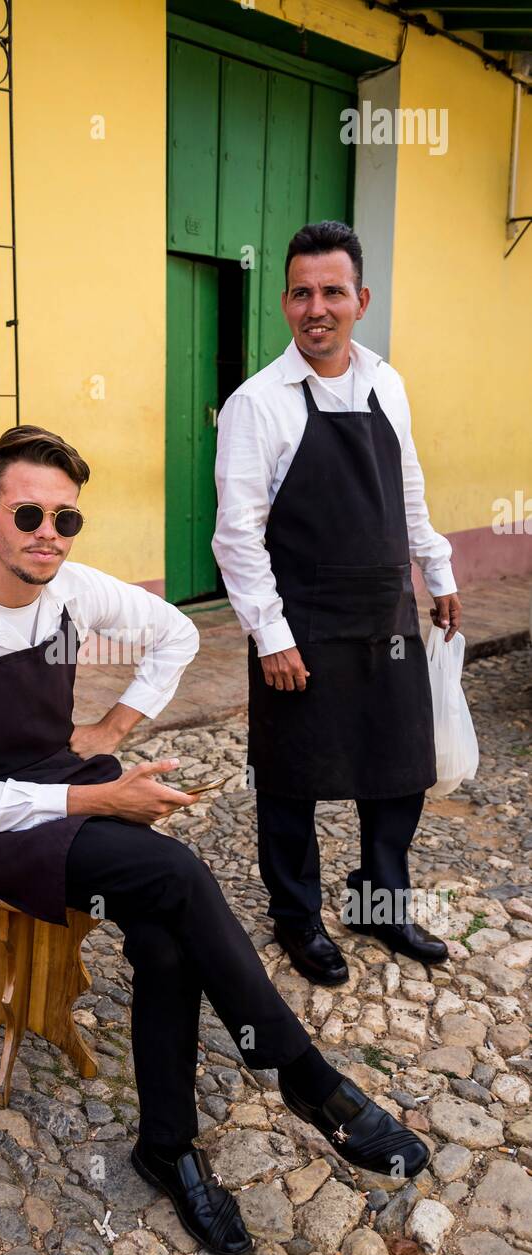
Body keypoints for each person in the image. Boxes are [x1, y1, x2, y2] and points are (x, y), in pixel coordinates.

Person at [0, 422, 430, 1255]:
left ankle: (167, 1148)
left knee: (167, 944)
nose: (48, 536)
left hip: (63, 777)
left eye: (65, 519)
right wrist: (103, 793)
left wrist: (116, 722)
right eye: (28, 515)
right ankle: (307, 1081)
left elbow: (175, 633)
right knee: (174, 872)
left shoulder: (68, 590)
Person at [213, 220, 461, 989]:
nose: (314, 307)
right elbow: (235, 535)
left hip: (385, 613)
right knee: (289, 779)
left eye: (331, 292)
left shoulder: (387, 381)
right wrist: (270, 635)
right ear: (285, 302)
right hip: (303, 623)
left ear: (360, 298)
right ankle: (296, 919)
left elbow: (407, 486)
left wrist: (437, 567)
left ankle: (378, 906)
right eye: (299, 293)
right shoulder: (257, 403)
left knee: (397, 771)